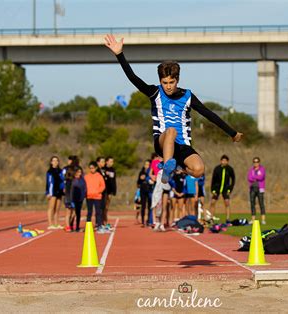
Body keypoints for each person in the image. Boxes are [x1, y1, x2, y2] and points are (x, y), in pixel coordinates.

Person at [104, 34, 243, 184]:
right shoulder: (155, 93)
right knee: (171, 131)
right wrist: (119, 55)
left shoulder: (188, 96)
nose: (168, 86)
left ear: (178, 80)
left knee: (199, 170)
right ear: (160, 81)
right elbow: (133, 78)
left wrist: (232, 133)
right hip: (162, 142)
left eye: (172, 82)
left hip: (182, 145)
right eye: (165, 82)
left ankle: (176, 168)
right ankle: (166, 168)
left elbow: (208, 114)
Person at [210, 155, 235, 223]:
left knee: (227, 202)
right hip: (217, 188)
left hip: (225, 188)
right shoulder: (217, 168)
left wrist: (230, 189)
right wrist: (213, 190)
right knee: (213, 202)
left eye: (225, 161)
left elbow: (233, 180)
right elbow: (213, 180)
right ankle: (211, 218)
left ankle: (227, 219)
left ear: (227, 161)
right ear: (221, 161)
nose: (224, 162)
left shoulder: (230, 169)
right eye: (222, 160)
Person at [84, 161, 107, 233]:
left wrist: (98, 191)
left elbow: (103, 186)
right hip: (89, 197)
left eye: (93, 168)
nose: (91, 170)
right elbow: (84, 186)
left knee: (98, 212)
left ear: (96, 168)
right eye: (90, 168)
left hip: (97, 197)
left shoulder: (99, 176)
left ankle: (99, 226)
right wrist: (86, 192)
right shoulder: (86, 176)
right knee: (89, 212)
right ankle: (88, 226)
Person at [45, 156, 64, 230]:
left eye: (57, 161)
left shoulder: (60, 171)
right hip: (52, 192)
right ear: (51, 162)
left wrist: (63, 189)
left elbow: (62, 181)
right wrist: (48, 193)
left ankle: (56, 223)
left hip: (59, 191)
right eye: (54, 160)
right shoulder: (49, 172)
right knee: (51, 208)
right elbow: (48, 183)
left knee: (57, 208)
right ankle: (50, 224)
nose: (55, 162)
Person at [247, 157, 266, 225]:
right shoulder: (251, 170)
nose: (256, 163)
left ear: (259, 162)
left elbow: (261, 177)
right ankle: (253, 219)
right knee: (252, 203)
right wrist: (256, 177)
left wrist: (254, 177)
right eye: (254, 162)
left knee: (261, 203)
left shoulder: (262, 169)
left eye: (257, 162)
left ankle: (263, 219)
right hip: (252, 188)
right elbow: (249, 178)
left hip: (260, 188)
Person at [70, 167, 87, 232]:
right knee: (73, 213)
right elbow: (71, 191)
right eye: (78, 172)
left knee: (78, 213)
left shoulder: (82, 179)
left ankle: (77, 227)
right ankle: (71, 226)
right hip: (73, 199)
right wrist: (71, 200)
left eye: (80, 172)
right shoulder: (72, 180)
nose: (79, 173)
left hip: (80, 199)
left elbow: (85, 188)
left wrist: (84, 195)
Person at [137, 159, 153, 226]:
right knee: (143, 206)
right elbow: (138, 183)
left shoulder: (151, 172)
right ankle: (143, 221)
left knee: (150, 206)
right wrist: (141, 179)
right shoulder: (141, 172)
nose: (147, 166)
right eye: (146, 164)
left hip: (149, 190)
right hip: (142, 190)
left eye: (148, 165)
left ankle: (149, 220)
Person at [103, 156, 117, 227]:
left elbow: (114, 181)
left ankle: (105, 222)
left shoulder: (113, 170)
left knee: (107, 207)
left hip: (110, 190)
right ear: (107, 162)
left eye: (113, 161)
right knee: (103, 207)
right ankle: (103, 222)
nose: (112, 163)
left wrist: (114, 191)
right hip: (104, 190)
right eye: (111, 161)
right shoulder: (103, 169)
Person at [63, 167, 76, 232]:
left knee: (74, 213)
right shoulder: (67, 181)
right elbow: (65, 190)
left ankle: (69, 225)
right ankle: (68, 226)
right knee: (68, 213)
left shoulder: (74, 180)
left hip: (73, 199)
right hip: (68, 199)